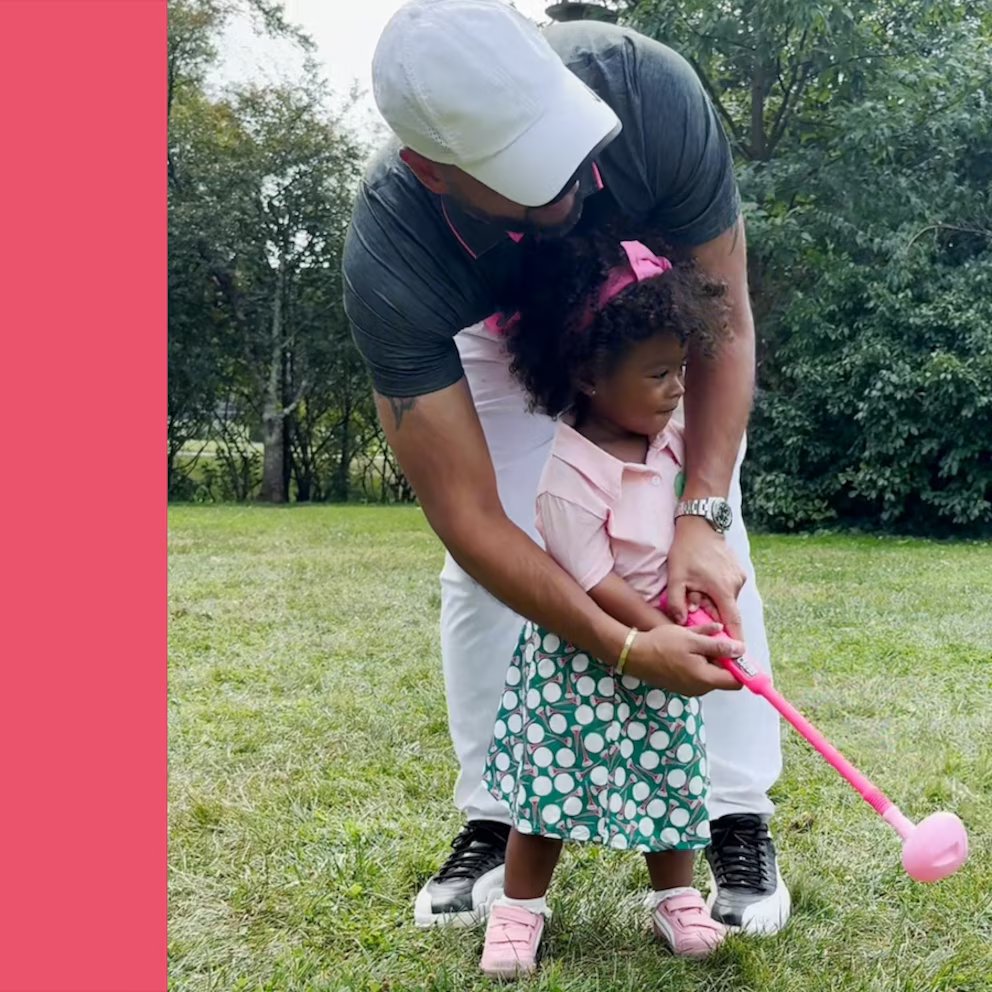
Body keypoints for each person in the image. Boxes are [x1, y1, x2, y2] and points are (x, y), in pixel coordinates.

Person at [344, 0, 790, 934]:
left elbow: (726, 319)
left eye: (568, 147)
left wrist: (701, 511)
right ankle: (493, 812)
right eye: (527, 177)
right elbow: (470, 516)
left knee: (708, 541)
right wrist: (624, 647)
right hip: (494, 334)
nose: (572, 189)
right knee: (482, 573)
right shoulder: (393, 254)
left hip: (647, 314)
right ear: (433, 171)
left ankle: (733, 813)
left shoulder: (646, 91)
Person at [478, 231, 732, 978]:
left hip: (666, 639)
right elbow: (594, 583)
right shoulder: (568, 478)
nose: (677, 389)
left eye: (680, 369)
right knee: (550, 790)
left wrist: (696, 605)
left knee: (672, 775)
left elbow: (692, 522)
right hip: (581, 655)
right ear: (590, 375)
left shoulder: (670, 440)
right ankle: (520, 908)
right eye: (658, 374)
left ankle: (676, 896)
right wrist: (661, 632)